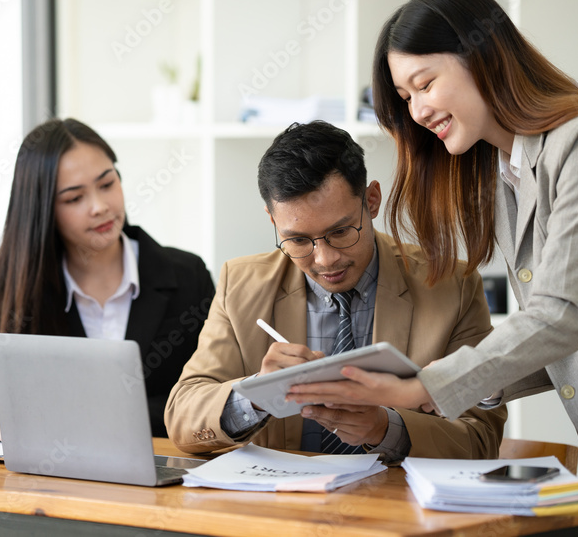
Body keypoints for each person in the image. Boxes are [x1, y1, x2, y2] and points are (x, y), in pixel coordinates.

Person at [287, 0, 578, 535]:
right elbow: (573, 327)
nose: (418, 111)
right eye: (404, 98)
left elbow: (561, 315)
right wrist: (436, 383)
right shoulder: (508, 173)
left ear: (483, 57)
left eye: (425, 84)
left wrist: (424, 386)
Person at [164, 121, 506, 462]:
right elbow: (182, 416)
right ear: (272, 220)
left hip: (398, 507)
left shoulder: (452, 284)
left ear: (372, 201)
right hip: (280, 506)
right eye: (298, 240)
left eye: (341, 231)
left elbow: (481, 437)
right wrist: (255, 394)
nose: (325, 259)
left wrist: (386, 429)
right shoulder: (240, 284)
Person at [0, 118, 214, 441]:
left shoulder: (187, 276)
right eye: (74, 198)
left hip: (164, 477)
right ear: (43, 210)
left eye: (107, 184)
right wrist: (5, 426)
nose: (100, 207)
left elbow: (214, 393)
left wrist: (96, 419)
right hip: (58, 485)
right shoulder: (28, 293)